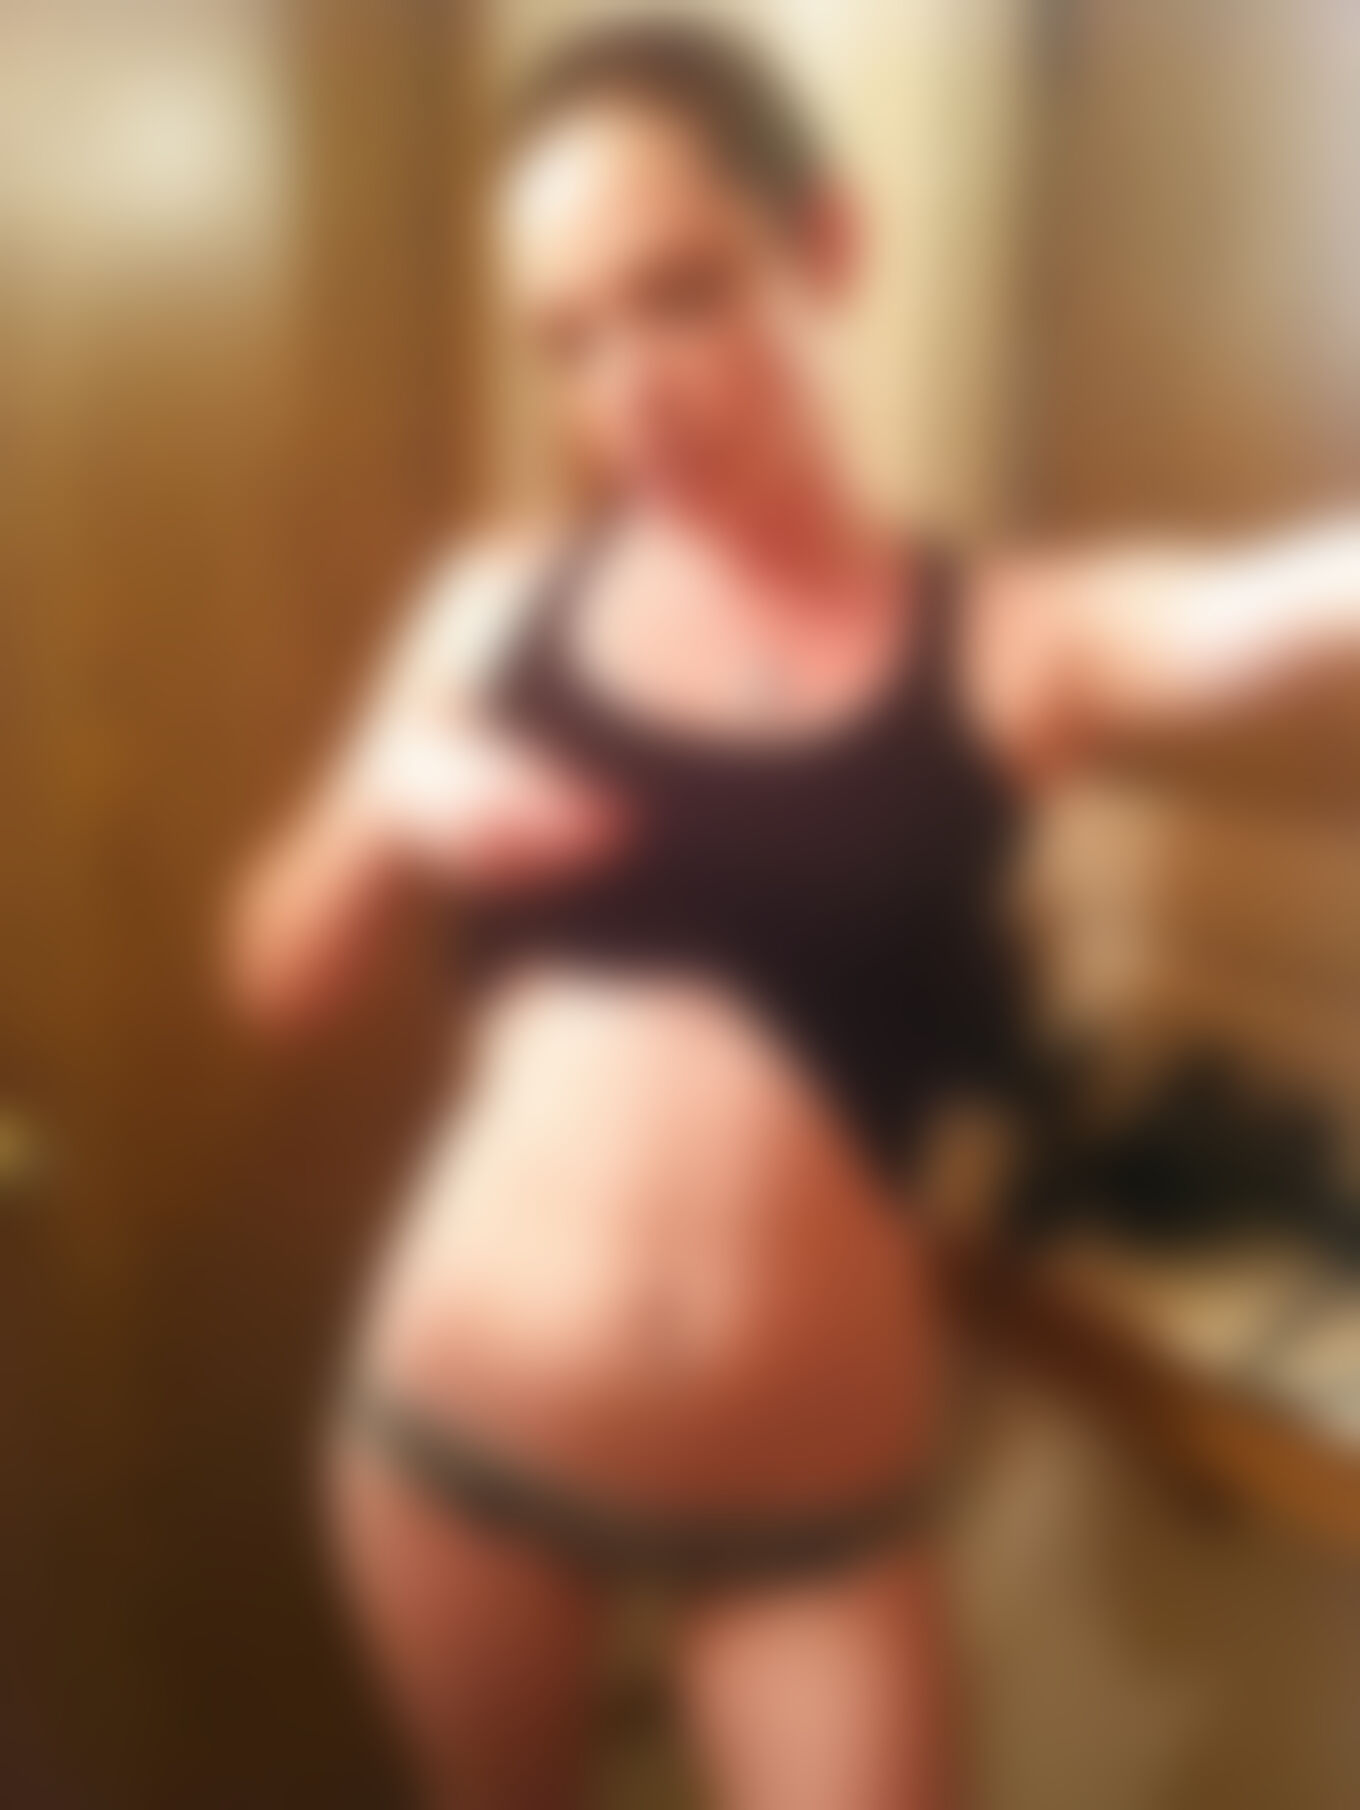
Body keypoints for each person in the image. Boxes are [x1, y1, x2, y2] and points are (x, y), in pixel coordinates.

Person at [227, 21, 1359, 1810]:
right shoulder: (488, 614)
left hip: (807, 1517)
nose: (628, 393)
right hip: (453, 1449)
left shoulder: (1014, 639)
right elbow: (279, 971)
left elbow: (1288, 610)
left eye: (680, 294)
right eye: (568, 339)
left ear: (825, 243)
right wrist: (384, 800)